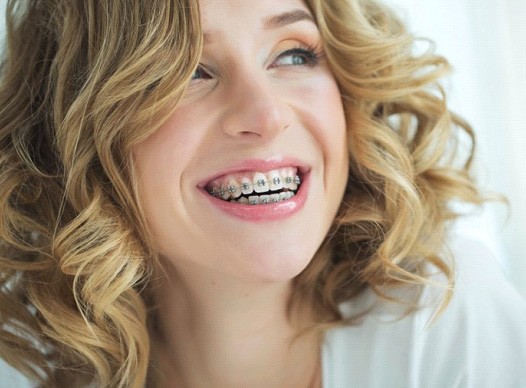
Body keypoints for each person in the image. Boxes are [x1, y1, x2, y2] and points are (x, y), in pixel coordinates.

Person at [1, 0, 525, 387]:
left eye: (294, 56)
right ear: (77, 134)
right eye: (189, 71)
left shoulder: (444, 318)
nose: (267, 115)